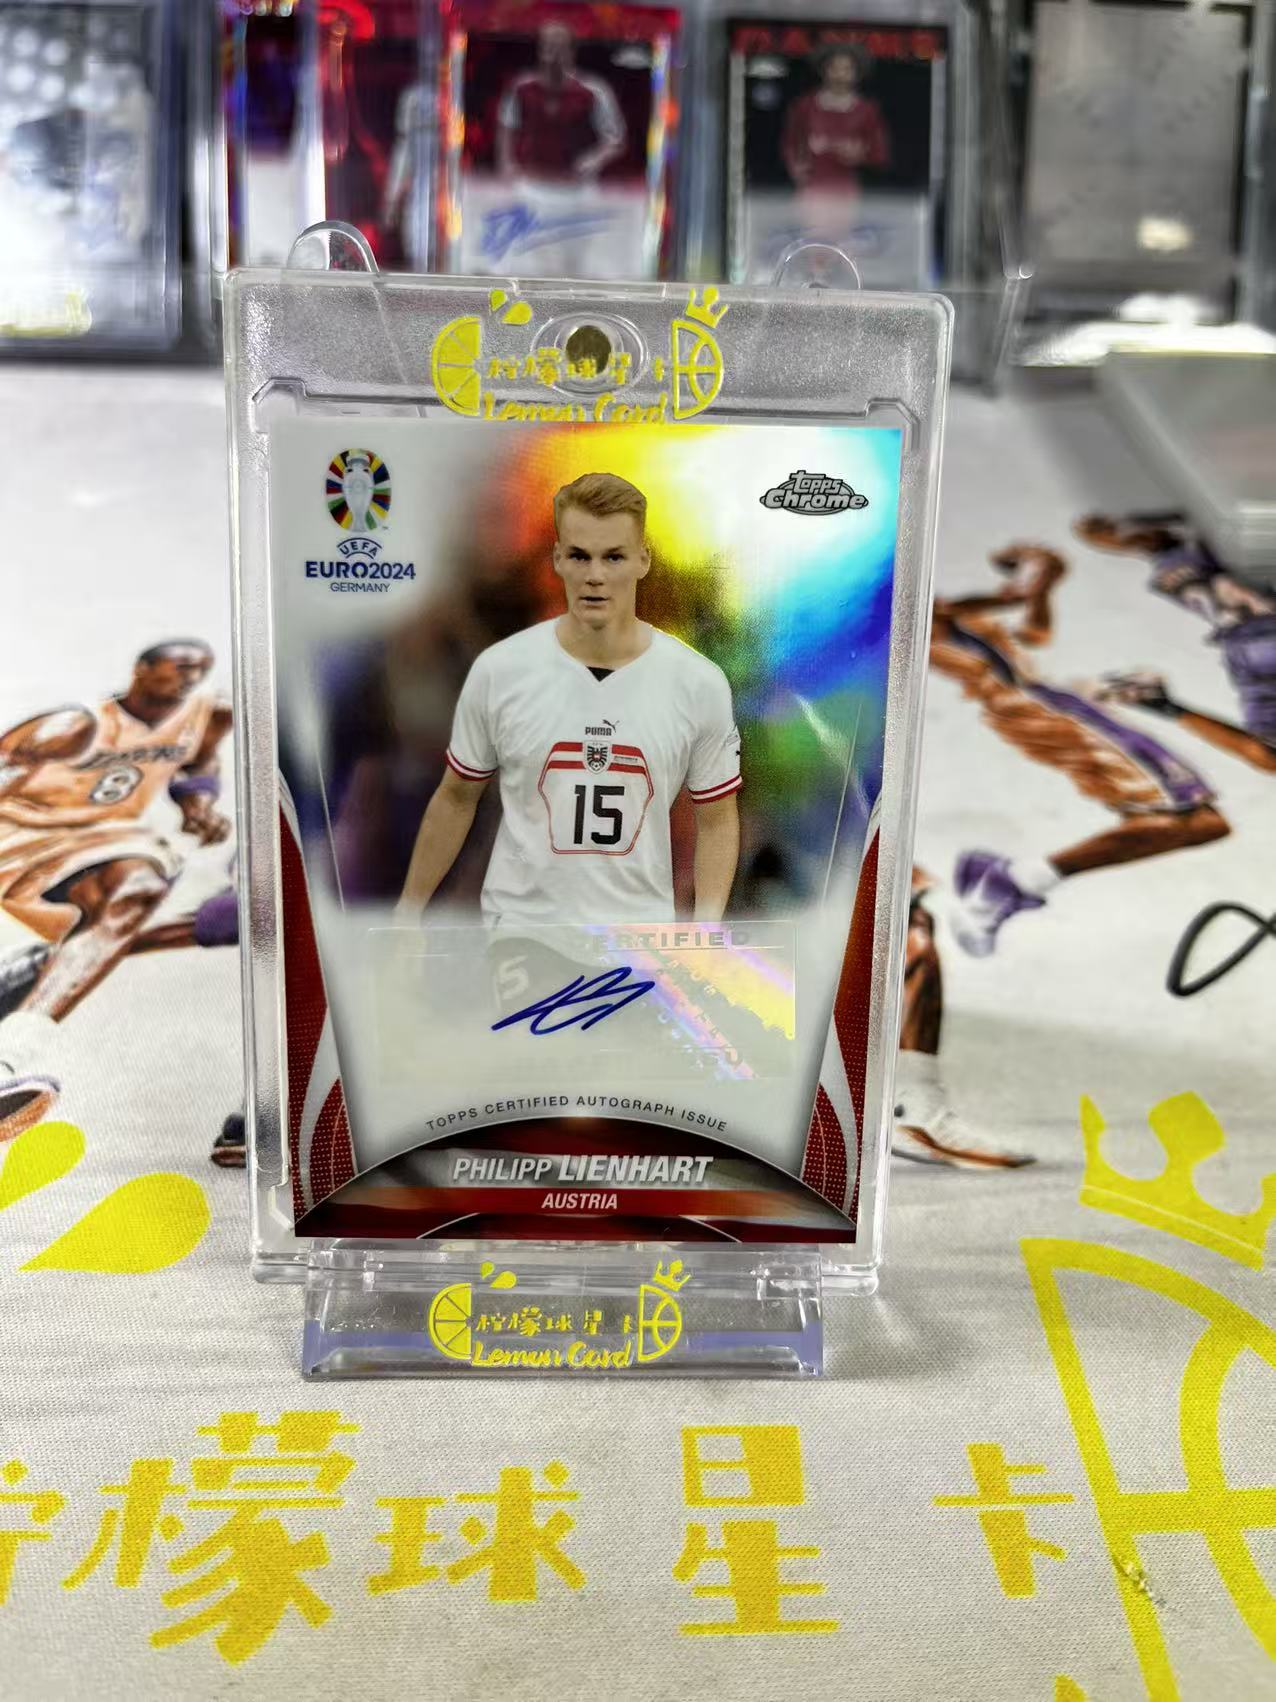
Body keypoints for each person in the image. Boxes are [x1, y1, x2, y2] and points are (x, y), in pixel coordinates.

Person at [397, 472, 741, 931]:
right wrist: (409, 912)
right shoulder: (502, 669)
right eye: (580, 556)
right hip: (525, 927)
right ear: (557, 561)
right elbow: (457, 795)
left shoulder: (695, 682)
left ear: (643, 561)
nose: (595, 576)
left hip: (637, 934)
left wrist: (704, 924)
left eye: (613, 557)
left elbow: (715, 817)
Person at [933, 546, 1229, 956]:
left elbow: (1035, 632)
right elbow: (946, 609)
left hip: (1049, 704)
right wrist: (1036, 575)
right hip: (1041, 709)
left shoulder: (965, 621)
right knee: (1190, 822)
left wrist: (1038, 587)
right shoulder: (905, 611)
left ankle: (1018, 878)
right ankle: (1009, 883)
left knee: (1205, 823)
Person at [0, 640, 232, 1139]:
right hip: (23, 837)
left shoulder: (206, 715)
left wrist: (197, 803)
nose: (191, 677)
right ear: (141, 670)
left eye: (200, 669)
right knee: (141, 894)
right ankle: (26, 973)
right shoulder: (74, 726)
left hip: (102, 838)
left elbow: (198, 761)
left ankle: (11, 1054)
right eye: (180, 667)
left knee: (145, 890)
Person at [1075, 512, 1276, 774]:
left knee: (1227, 602)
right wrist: (1168, 708)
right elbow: (1260, 754)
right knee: (1228, 604)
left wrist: (1168, 708)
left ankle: (1171, 555)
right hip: (1253, 642)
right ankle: (1169, 553)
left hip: (1254, 641)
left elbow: (1261, 754)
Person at [495, 23, 626, 189]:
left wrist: (595, 158)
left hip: (578, 187)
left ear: (572, 52)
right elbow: (506, 127)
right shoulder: (521, 88)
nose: (553, 56)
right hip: (530, 184)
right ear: (539, 51)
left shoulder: (594, 91)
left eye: (560, 48)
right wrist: (506, 162)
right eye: (548, 48)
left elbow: (616, 140)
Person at [781, 45, 888, 193]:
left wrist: (859, 155)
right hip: (812, 186)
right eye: (834, 68)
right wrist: (796, 168)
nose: (840, 75)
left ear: (857, 74)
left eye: (847, 69)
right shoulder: (805, 106)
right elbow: (790, 142)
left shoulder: (867, 110)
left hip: (847, 187)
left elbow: (879, 154)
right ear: (823, 70)